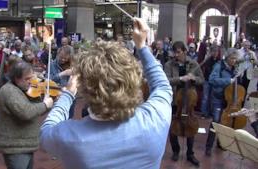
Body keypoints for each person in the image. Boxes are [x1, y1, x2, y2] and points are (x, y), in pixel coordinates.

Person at [40, 18, 172, 169]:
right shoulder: (155, 119)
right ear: (133, 80)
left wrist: (68, 94)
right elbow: (162, 86)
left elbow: (46, 131)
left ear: (85, 89)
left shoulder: (70, 137)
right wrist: (141, 46)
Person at [0, 61, 53, 169]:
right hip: (15, 147)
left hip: (25, 144)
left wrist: (48, 103)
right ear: (17, 78)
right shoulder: (9, 91)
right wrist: (45, 105)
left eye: (32, 78)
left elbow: (36, 111)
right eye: (27, 79)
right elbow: (26, 112)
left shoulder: (23, 89)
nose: (31, 82)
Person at [164, 41, 204, 166]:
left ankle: (190, 153)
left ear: (185, 51)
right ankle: (176, 150)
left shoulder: (193, 63)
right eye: (174, 52)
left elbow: (201, 80)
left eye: (179, 52)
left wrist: (193, 78)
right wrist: (180, 79)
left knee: (190, 125)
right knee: (173, 127)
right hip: (175, 99)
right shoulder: (169, 64)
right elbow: (166, 80)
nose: (176, 55)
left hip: (188, 99)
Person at [205, 48, 239, 156]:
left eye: (235, 59)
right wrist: (227, 81)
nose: (234, 61)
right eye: (232, 58)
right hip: (218, 98)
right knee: (215, 121)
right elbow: (211, 80)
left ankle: (220, 143)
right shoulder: (219, 66)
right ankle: (208, 147)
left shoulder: (234, 68)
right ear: (227, 57)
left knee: (224, 122)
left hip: (228, 99)